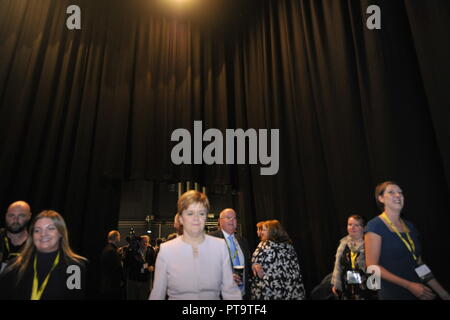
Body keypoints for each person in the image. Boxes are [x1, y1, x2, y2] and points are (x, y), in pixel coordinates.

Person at [149, 190, 242, 300]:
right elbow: (157, 294)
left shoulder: (220, 247)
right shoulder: (166, 250)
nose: (196, 218)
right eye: (190, 213)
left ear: (206, 217)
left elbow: (230, 292)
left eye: (201, 213)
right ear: (180, 219)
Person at [365, 181, 450, 300]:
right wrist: (409, 285)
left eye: (400, 193)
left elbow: (419, 264)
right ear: (381, 198)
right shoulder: (375, 225)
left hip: (419, 292)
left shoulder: (410, 226)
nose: (398, 195)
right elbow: (372, 266)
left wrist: (442, 292)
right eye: (391, 192)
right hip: (393, 294)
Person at [0, 210, 87, 300]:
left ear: (61, 233)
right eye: (37, 230)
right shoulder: (14, 265)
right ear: (32, 235)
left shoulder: (74, 268)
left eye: (50, 228)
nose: (43, 234)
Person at [250, 220, 305, 300]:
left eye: (264, 230)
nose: (261, 232)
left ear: (272, 231)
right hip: (290, 288)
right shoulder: (289, 246)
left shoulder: (264, 245)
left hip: (270, 289)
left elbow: (254, 261)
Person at [209, 208, 251, 299]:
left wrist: (254, 265)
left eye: (234, 218)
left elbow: (247, 263)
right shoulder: (211, 239)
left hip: (242, 294)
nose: (232, 220)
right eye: (228, 217)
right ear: (220, 221)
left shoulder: (242, 240)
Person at [331, 215, 376, 300]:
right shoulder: (343, 244)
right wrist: (336, 284)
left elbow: (375, 267)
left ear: (364, 228)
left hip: (366, 289)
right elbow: (338, 267)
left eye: (356, 225)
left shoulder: (370, 243)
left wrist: (376, 289)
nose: (352, 227)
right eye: (350, 224)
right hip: (347, 288)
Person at [0, 201, 32, 273]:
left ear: (29, 216)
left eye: (21, 216)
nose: (15, 220)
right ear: (5, 216)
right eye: (11, 215)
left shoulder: (35, 244)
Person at [99, 230, 124, 299]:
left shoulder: (107, 249)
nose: (119, 238)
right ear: (116, 238)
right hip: (112, 285)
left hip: (107, 284)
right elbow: (117, 268)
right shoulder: (112, 251)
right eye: (119, 236)